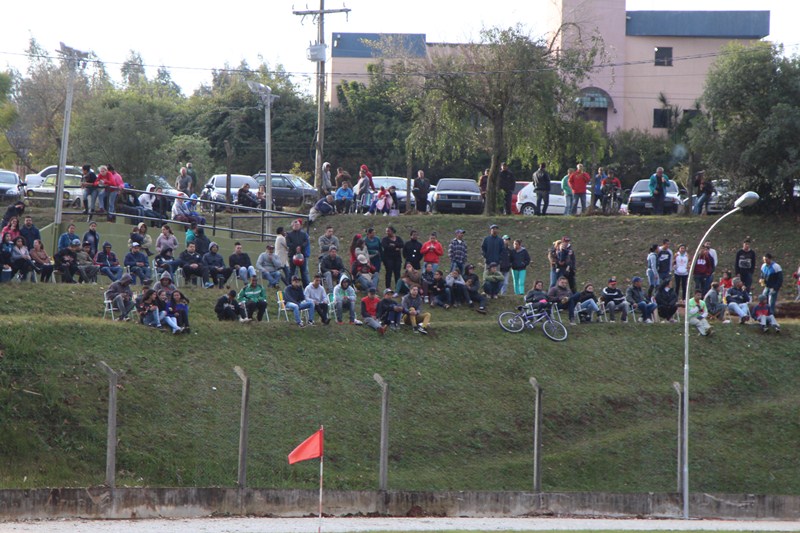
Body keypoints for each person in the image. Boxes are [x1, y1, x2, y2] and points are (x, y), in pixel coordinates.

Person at [286, 218, 310, 286]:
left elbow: (306, 241)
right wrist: (295, 247)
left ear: (300, 226)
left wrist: (301, 247)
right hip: (292, 255)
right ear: (292, 226)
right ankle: (290, 286)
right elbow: (288, 243)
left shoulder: (303, 234)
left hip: (302, 255)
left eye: (298, 225)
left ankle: (306, 287)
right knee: (292, 272)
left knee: (304, 272)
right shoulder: (289, 234)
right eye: (295, 225)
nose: (296, 226)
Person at [381, 226, 404, 290]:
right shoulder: (385, 239)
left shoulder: (398, 238)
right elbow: (385, 246)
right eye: (386, 231)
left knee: (397, 273)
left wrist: (393, 245)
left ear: (392, 231)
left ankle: (398, 288)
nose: (387, 232)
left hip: (397, 259)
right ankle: (388, 287)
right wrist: (395, 247)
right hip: (388, 258)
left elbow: (402, 244)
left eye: (388, 231)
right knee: (389, 272)